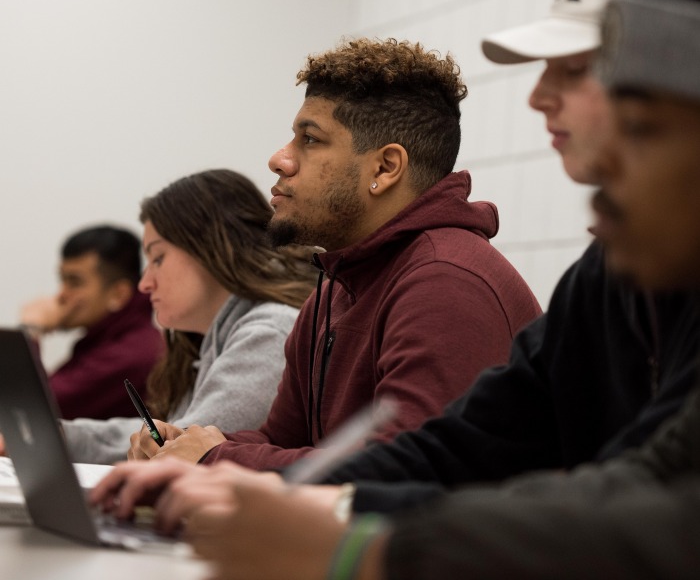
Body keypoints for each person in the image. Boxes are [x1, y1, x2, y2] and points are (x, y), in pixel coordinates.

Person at [91, 0, 700, 577]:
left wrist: (352, 542)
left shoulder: (448, 279)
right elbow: (466, 447)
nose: (537, 97)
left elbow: (654, 513)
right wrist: (262, 491)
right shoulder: (601, 274)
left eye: (634, 110)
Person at [127, 38, 541, 468]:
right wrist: (186, 445)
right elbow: (281, 440)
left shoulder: (445, 282)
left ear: (384, 168)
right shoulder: (336, 284)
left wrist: (216, 456)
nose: (279, 160)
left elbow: (407, 471)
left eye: (309, 139)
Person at [53, 169, 317, 464]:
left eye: (158, 258)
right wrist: (56, 437)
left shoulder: (271, 331)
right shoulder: (209, 339)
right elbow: (166, 435)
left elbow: (185, 449)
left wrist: (52, 440)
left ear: (210, 249)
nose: (144, 283)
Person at [19, 224, 164, 420]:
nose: (61, 294)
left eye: (74, 282)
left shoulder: (130, 354)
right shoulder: (113, 340)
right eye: (62, 280)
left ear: (118, 294)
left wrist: (29, 333)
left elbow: (28, 413)